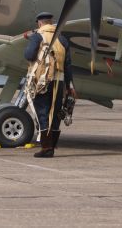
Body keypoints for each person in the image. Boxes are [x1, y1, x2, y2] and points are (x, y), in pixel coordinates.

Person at [24, 12, 76, 158]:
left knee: (42, 111)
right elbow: (68, 65)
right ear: (51, 23)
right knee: (56, 113)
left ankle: (46, 148)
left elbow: (28, 55)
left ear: (40, 23)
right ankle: (52, 146)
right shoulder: (62, 39)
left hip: (42, 81)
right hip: (59, 82)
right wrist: (70, 87)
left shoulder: (38, 36)